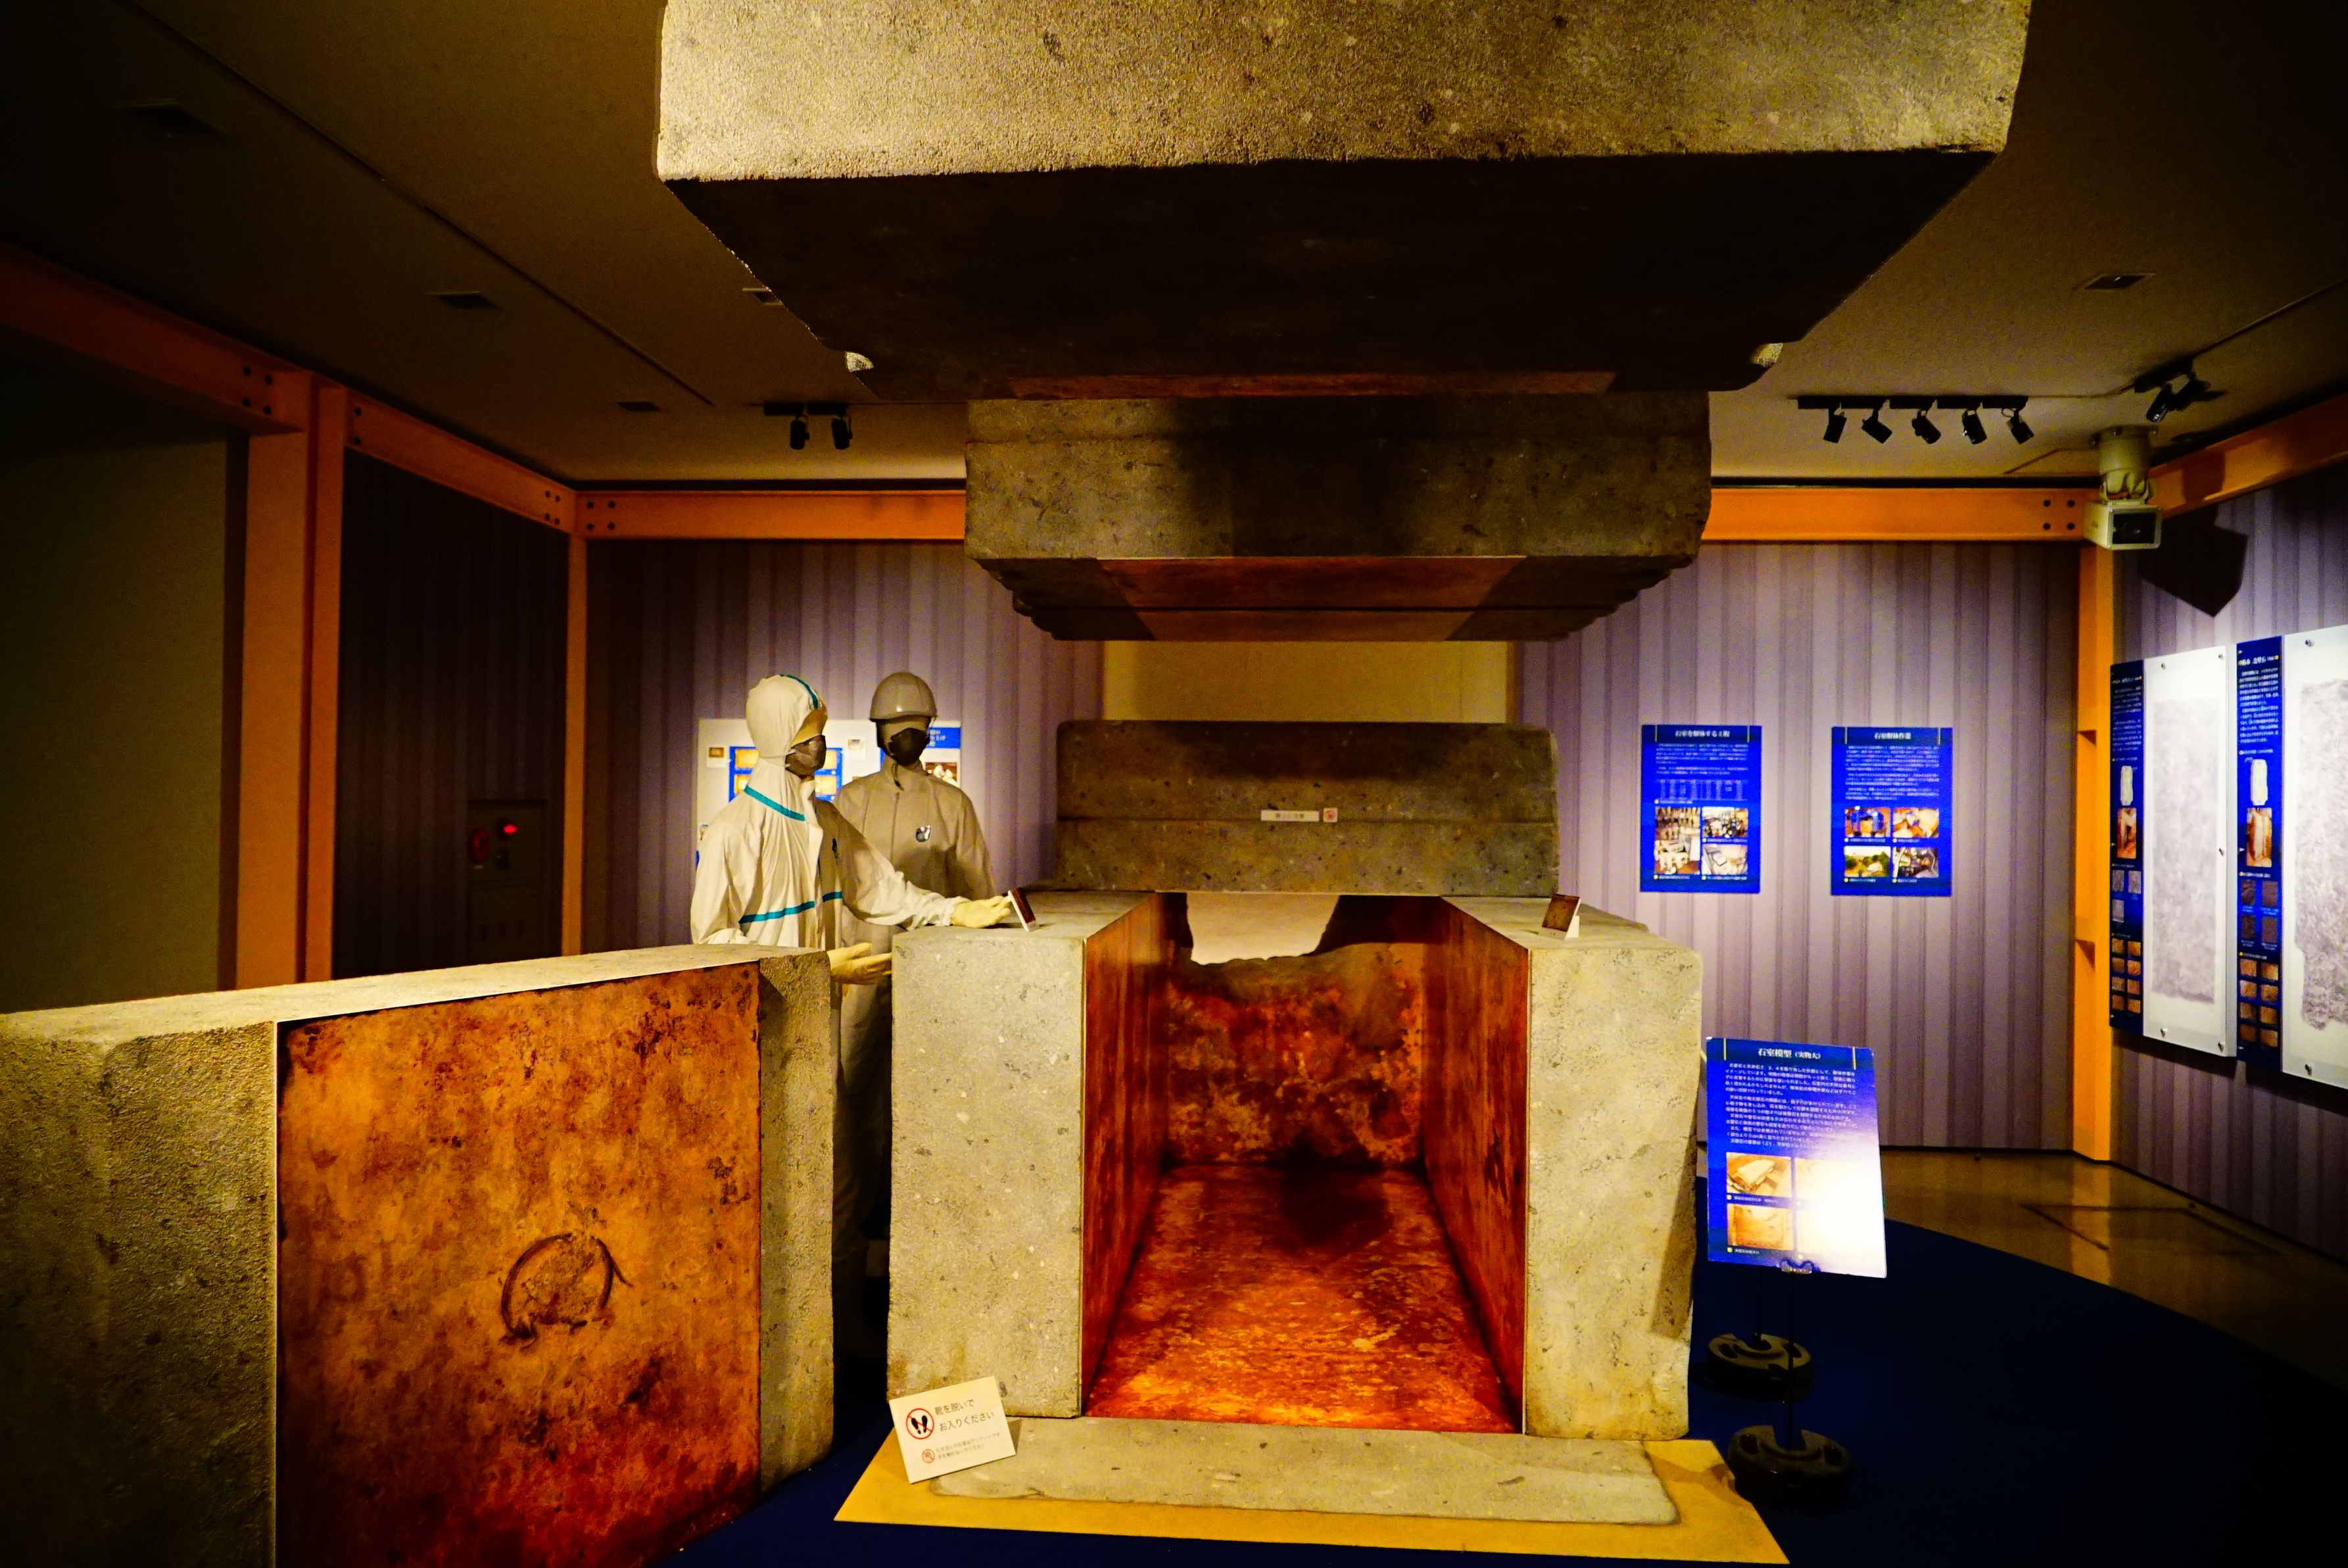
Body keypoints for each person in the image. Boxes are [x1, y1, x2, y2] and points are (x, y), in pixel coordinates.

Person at [688, 672, 1011, 1356]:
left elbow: (883, 890)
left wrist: (957, 911)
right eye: (810, 735)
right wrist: (816, 969)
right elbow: (709, 945)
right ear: (781, 739)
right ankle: (774, 1346)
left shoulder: (827, 822)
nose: (821, 746)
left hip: (818, 1033)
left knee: (838, 1186)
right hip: (763, 1043)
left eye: (822, 733)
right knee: (775, 1193)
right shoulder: (735, 830)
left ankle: (840, 1335)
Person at [830, 673, 997, 1358]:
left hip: (936, 979)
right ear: (877, 731)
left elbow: (977, 889)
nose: (907, 736)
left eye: (916, 725)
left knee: (934, 1107)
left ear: (930, 730)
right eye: (895, 725)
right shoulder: (849, 802)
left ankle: (930, 1257)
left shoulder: (951, 804)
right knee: (854, 1105)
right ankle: (854, 1263)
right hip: (863, 972)